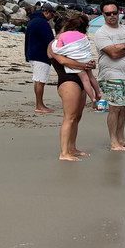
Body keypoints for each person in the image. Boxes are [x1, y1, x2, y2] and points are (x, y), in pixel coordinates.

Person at [93, 2, 125, 151]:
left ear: (118, 12)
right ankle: (114, 142)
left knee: (123, 108)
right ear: (103, 15)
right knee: (114, 108)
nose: (112, 16)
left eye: (114, 12)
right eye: (108, 13)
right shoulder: (101, 33)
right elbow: (113, 54)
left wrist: (124, 46)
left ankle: (121, 138)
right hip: (110, 74)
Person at [47, 14, 96, 161]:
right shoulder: (53, 44)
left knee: (77, 117)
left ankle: (72, 147)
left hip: (82, 81)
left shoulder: (74, 42)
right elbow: (63, 61)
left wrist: (90, 64)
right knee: (69, 117)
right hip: (68, 82)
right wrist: (84, 65)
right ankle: (64, 152)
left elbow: (84, 59)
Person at [51, 14, 101, 107]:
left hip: (75, 63)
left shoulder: (62, 36)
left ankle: (92, 98)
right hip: (85, 59)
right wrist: (87, 62)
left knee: (85, 79)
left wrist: (66, 50)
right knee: (91, 77)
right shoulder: (83, 36)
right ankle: (98, 93)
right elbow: (86, 48)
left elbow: (58, 50)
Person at [24, 3, 56, 113]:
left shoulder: (33, 20)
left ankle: (39, 104)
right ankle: (39, 105)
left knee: (38, 79)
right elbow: (50, 41)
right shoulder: (41, 22)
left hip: (32, 54)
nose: (52, 17)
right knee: (40, 80)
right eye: (52, 14)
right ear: (46, 12)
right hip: (40, 55)